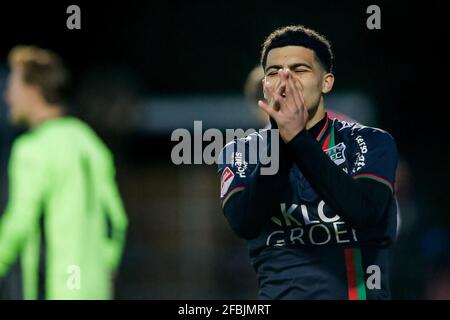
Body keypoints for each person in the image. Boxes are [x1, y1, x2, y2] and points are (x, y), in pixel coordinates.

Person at [218, 25, 398, 299]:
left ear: (326, 82)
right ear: (264, 86)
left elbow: (365, 212)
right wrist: (284, 139)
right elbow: (245, 222)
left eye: (299, 70)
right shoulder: (240, 151)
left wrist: (297, 137)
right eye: (274, 72)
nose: (285, 80)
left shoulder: (369, 141)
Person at [0, 46, 128, 299]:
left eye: (12, 87)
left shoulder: (31, 149)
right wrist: (105, 266)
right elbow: (117, 220)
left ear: (32, 90)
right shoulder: (90, 142)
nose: (7, 96)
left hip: (55, 289)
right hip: (95, 289)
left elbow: (20, 221)